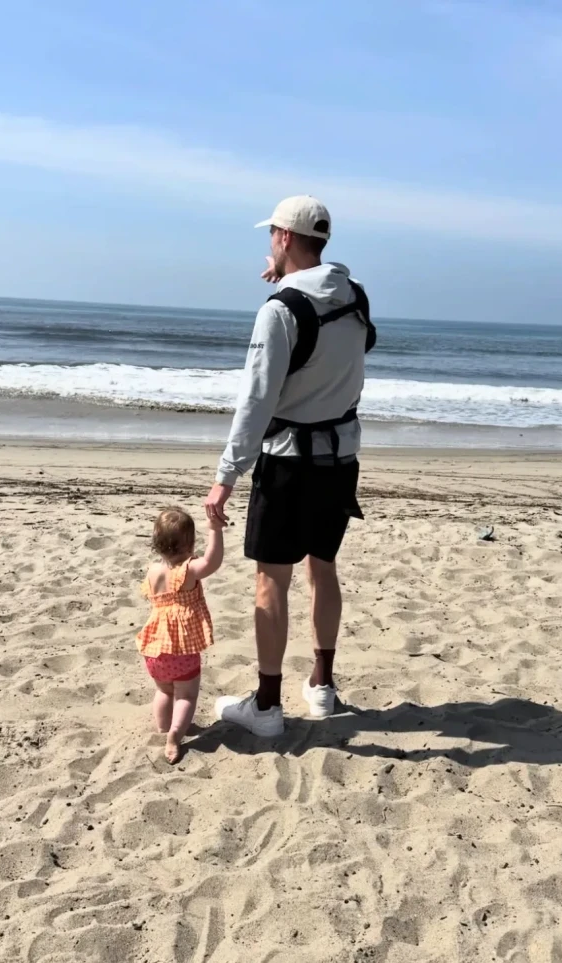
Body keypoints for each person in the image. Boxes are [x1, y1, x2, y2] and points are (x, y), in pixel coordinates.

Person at [204, 195, 375, 737]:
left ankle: (267, 705)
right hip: (340, 458)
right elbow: (342, 351)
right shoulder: (355, 296)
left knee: (271, 581)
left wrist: (226, 477)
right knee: (322, 566)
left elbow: (256, 401)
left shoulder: (279, 311)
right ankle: (322, 685)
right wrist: (288, 283)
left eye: (271, 235)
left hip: (287, 464)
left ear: (282, 237)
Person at [137, 507, 224, 762]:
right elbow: (212, 561)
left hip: (154, 649)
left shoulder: (153, 571)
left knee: (164, 692)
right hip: (180, 651)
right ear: (189, 544)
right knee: (186, 695)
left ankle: (163, 727)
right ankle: (175, 735)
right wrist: (215, 530)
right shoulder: (187, 570)